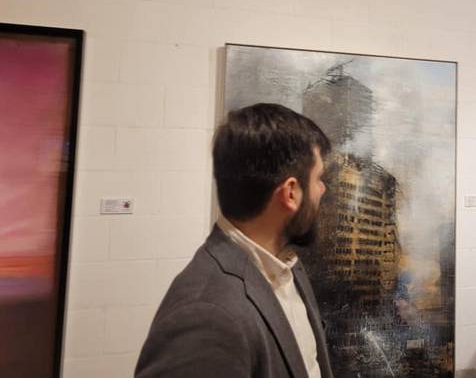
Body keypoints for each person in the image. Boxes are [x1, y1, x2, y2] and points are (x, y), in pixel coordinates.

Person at [135, 103, 334, 378]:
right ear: (290, 193)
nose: (323, 189)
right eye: (318, 178)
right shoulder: (205, 313)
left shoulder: (287, 267)